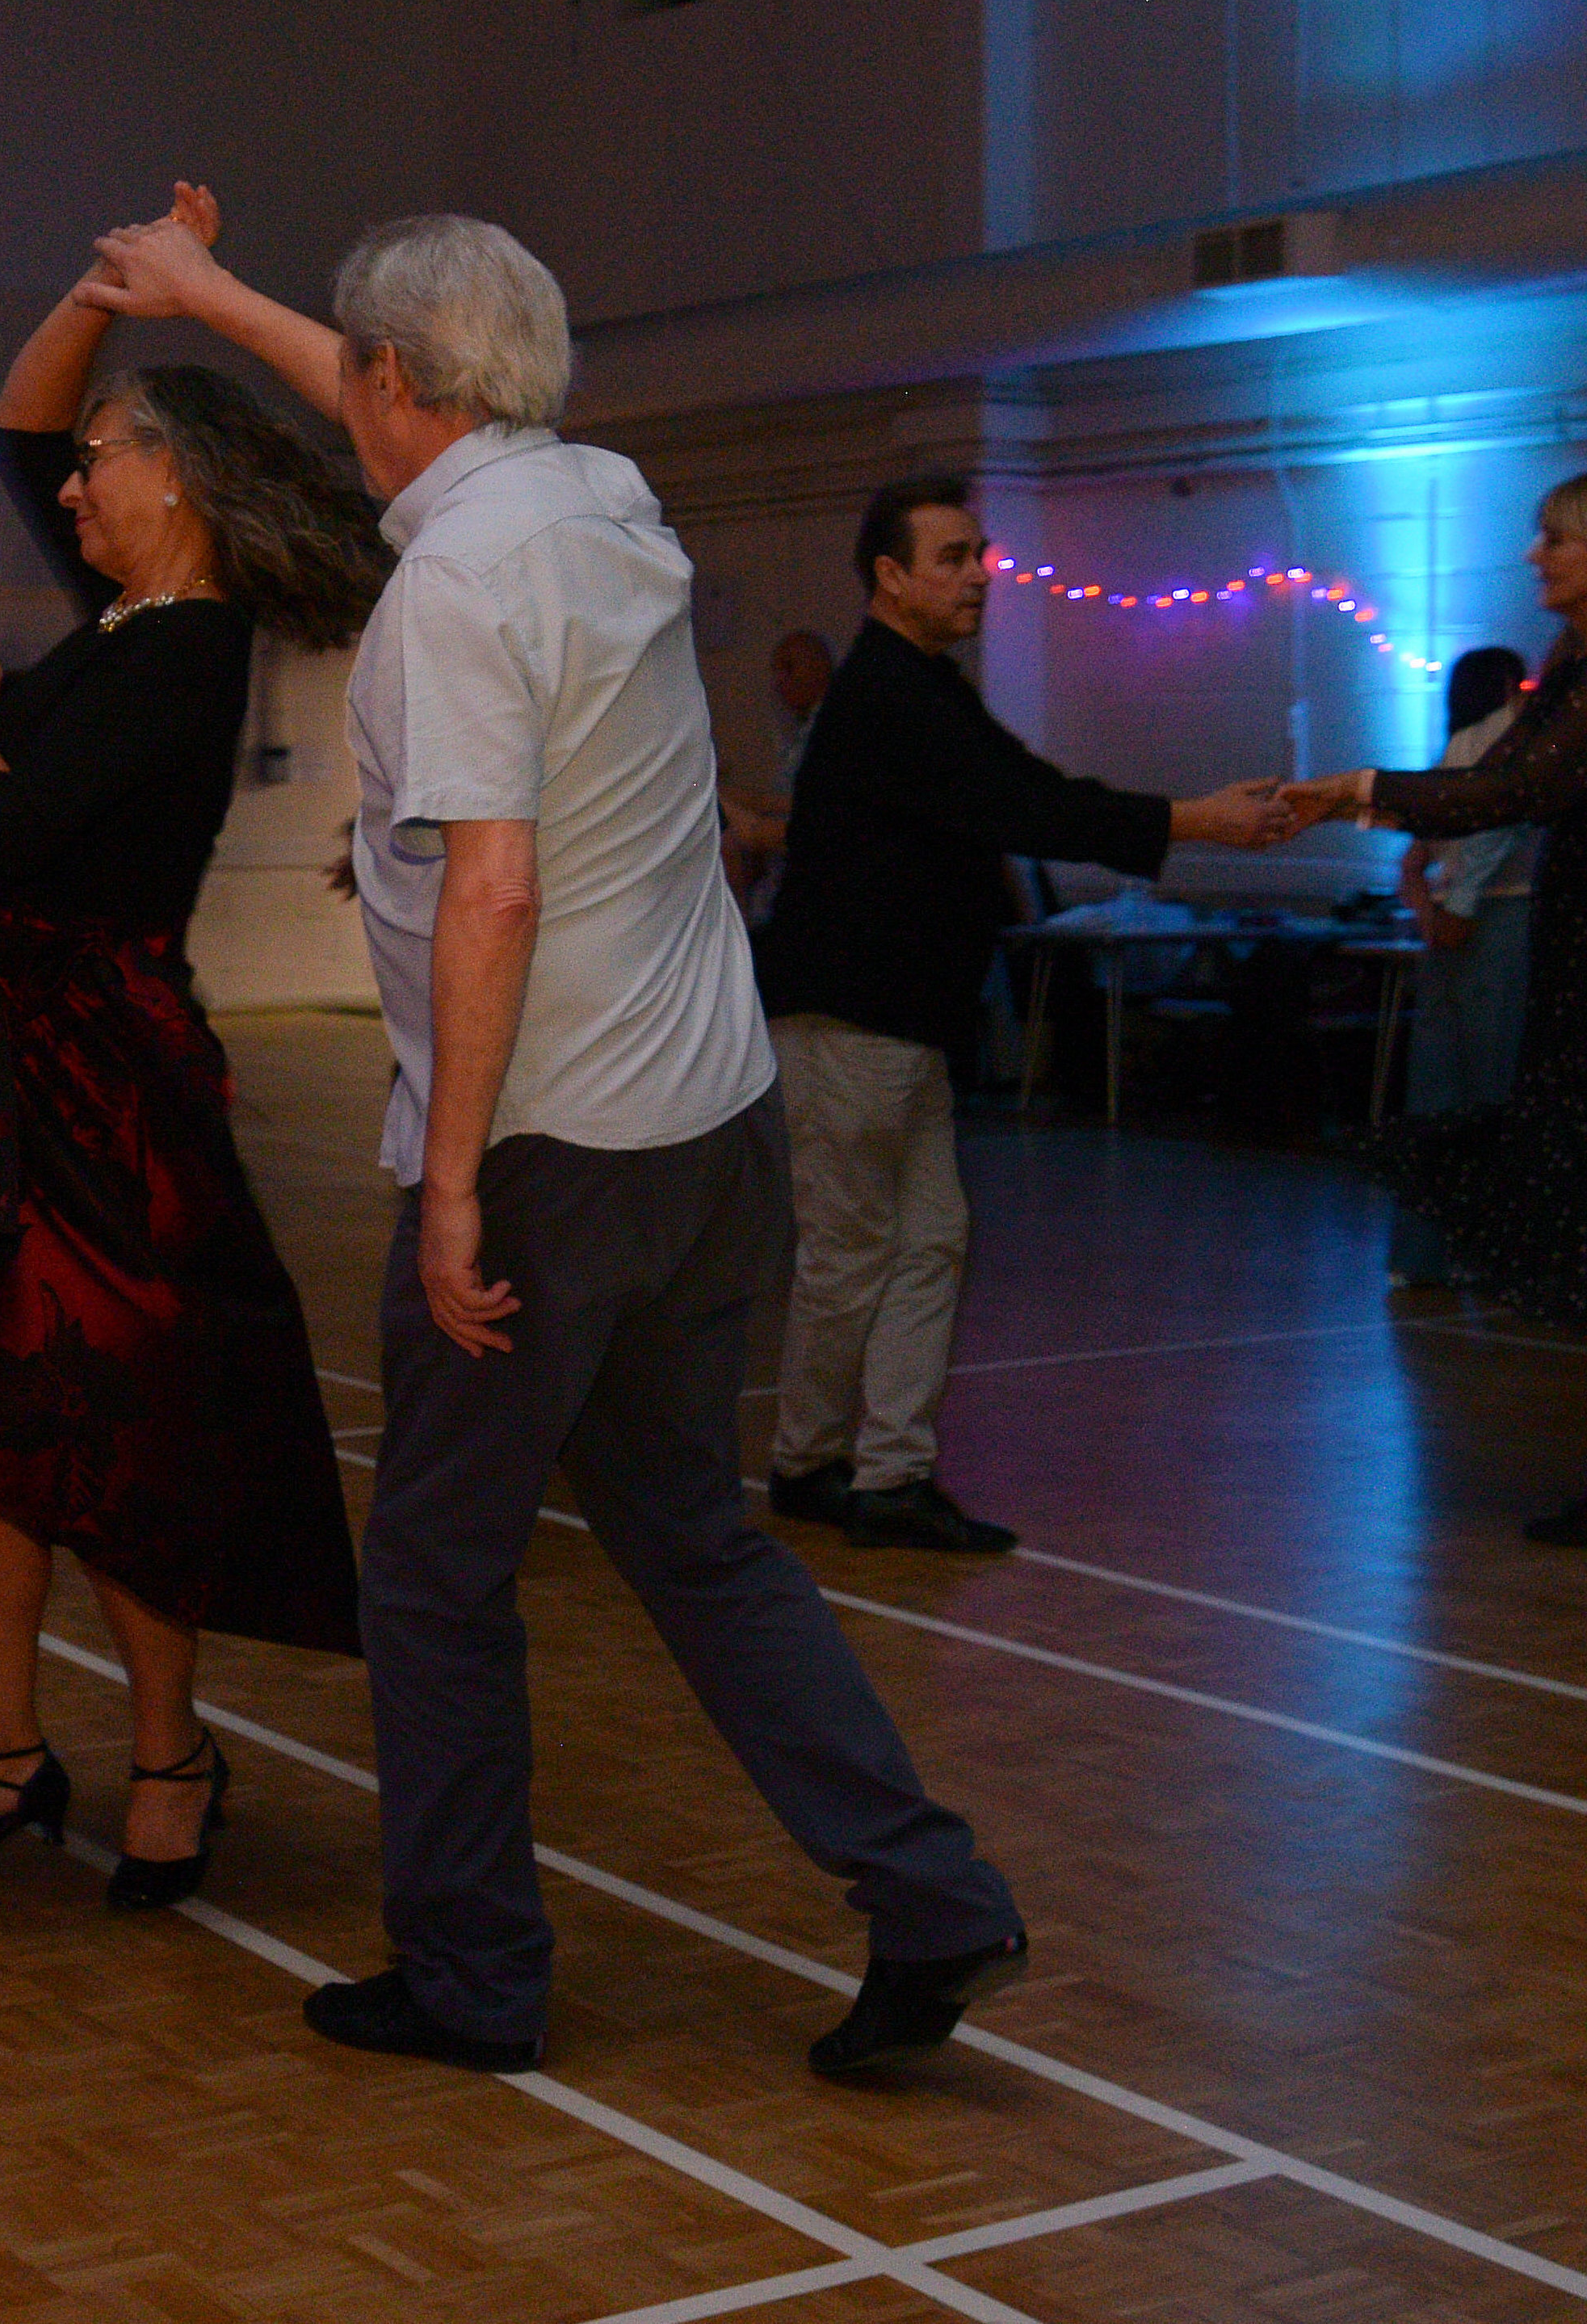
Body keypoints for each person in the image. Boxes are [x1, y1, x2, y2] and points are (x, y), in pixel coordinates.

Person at [83, 203, 1026, 2074]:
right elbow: (395, 390)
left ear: (399, 380)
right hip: (711, 1133)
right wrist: (205, 298)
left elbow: (491, 893)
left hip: (549, 1154)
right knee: (698, 1541)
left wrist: (447, 1187)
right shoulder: (601, 498)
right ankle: (933, 1898)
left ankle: (471, 1973)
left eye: (358, 370)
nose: (348, 396)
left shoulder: (450, 588)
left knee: (434, 1573)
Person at [0, 188, 378, 1909]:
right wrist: (111, 288)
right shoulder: (128, 618)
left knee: (118, 1416)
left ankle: (169, 1751)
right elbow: (19, 427)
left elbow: (21, 840)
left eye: (106, 463)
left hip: (105, 1075)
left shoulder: (192, 646)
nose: (72, 488)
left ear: (178, 478)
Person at [751, 476, 1291, 1553]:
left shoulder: (919, 685)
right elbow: (1029, 806)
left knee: (921, 1242)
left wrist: (1186, 819)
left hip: (893, 1018)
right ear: (890, 577)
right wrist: (1199, 821)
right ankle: (822, 1463)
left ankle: (872, 1469)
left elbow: (1029, 790)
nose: (978, 575)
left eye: (979, 554)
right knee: (863, 1249)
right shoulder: (891, 695)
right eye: (951, 558)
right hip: (853, 1019)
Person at [1284, 471, 1587, 1545]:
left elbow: (1509, 792)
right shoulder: (1568, 667)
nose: (1533, 554)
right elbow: (1497, 776)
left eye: (1554, 537)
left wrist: (1354, 789)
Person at [1387, 644, 1536, 1288]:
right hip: (1495, 916)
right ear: (1508, 685)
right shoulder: (1511, 743)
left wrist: (1430, 911)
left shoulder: (1454, 748)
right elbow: (1494, 831)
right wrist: (1458, 909)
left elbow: (1414, 859)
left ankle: (1421, 1253)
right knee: (1490, 1085)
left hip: (1450, 919)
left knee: (1435, 1089)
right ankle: (1486, 1250)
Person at [719, 628, 835, 915]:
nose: (780, 679)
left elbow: (814, 818)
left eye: (789, 667)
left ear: (820, 668)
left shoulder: (833, 733)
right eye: (776, 670)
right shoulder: (798, 733)